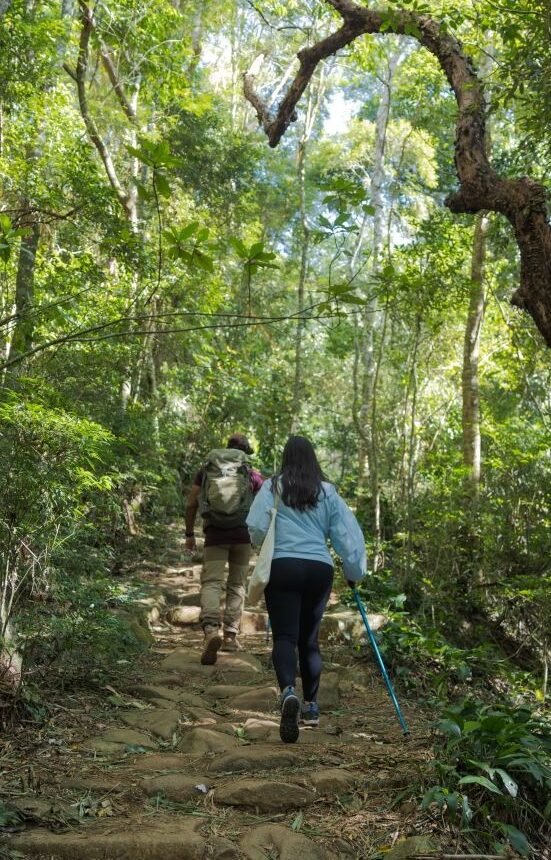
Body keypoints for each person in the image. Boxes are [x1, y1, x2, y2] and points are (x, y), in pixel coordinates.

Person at [246, 435, 366, 743]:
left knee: (285, 636)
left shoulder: (273, 487)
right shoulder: (327, 492)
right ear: (314, 458)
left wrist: (268, 538)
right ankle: (311, 706)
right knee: (308, 639)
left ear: (285, 458)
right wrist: (354, 573)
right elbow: (346, 536)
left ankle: (288, 691)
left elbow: (256, 529)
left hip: (283, 566)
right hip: (318, 569)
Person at [185, 433, 264, 665]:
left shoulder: (207, 469)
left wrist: (189, 534)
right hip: (242, 536)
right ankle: (230, 636)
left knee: (211, 583)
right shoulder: (250, 473)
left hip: (215, 534)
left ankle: (210, 630)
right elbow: (265, 503)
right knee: (237, 584)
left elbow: (191, 502)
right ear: (245, 451)